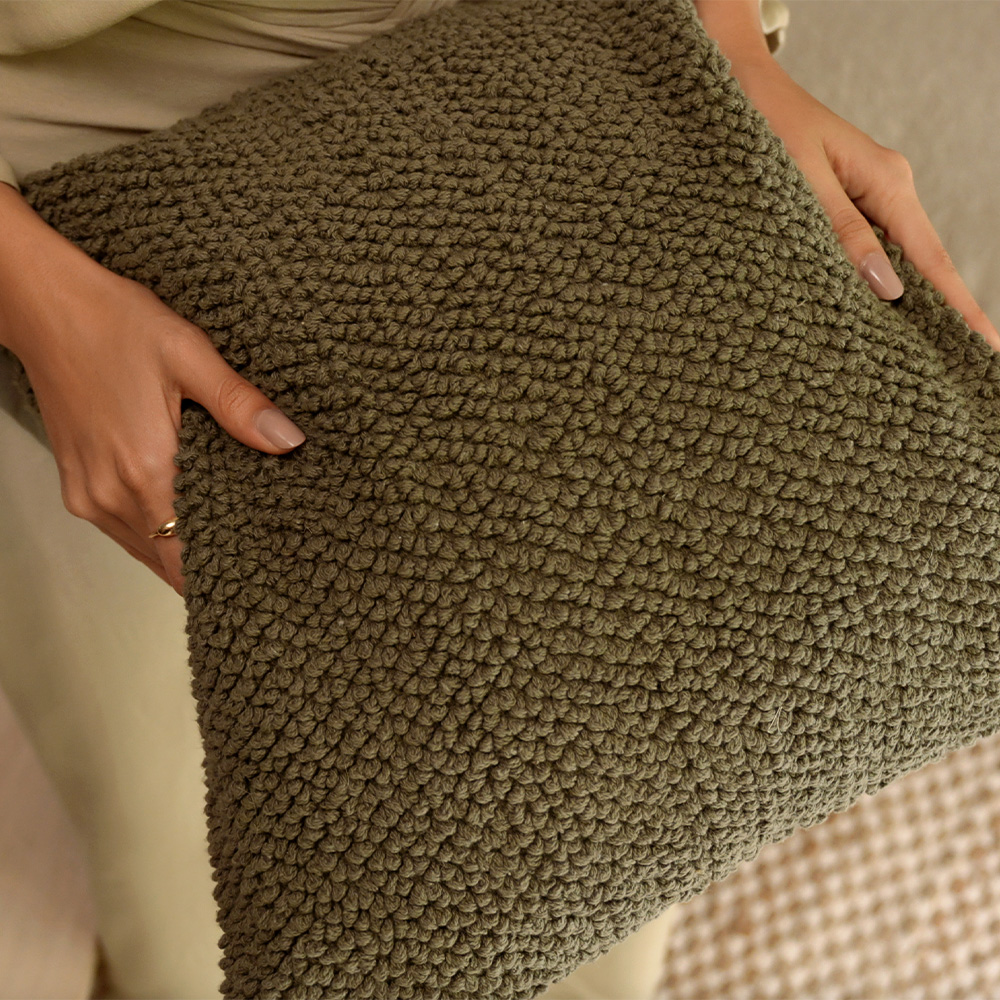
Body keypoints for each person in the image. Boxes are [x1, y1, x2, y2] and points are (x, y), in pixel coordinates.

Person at [0, 2, 995, 998]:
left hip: (564, 57)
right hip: (72, 171)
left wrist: (726, 48)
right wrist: (39, 299)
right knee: (182, 858)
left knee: (627, 783)